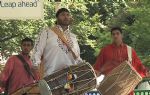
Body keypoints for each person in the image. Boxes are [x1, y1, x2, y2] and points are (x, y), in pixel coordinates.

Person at [93, 27, 148, 95]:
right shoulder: (105, 50)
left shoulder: (130, 50)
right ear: (111, 36)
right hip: (110, 88)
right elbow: (97, 68)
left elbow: (139, 66)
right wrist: (94, 74)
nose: (115, 36)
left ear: (122, 35)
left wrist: (146, 72)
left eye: (117, 33)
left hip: (126, 89)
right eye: (113, 34)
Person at [32, 8, 82, 78]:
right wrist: (35, 64)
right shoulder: (47, 32)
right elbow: (37, 50)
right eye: (63, 15)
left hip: (70, 77)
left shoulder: (73, 37)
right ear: (57, 18)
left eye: (68, 15)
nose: (66, 17)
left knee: (69, 89)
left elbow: (77, 57)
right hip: (50, 75)